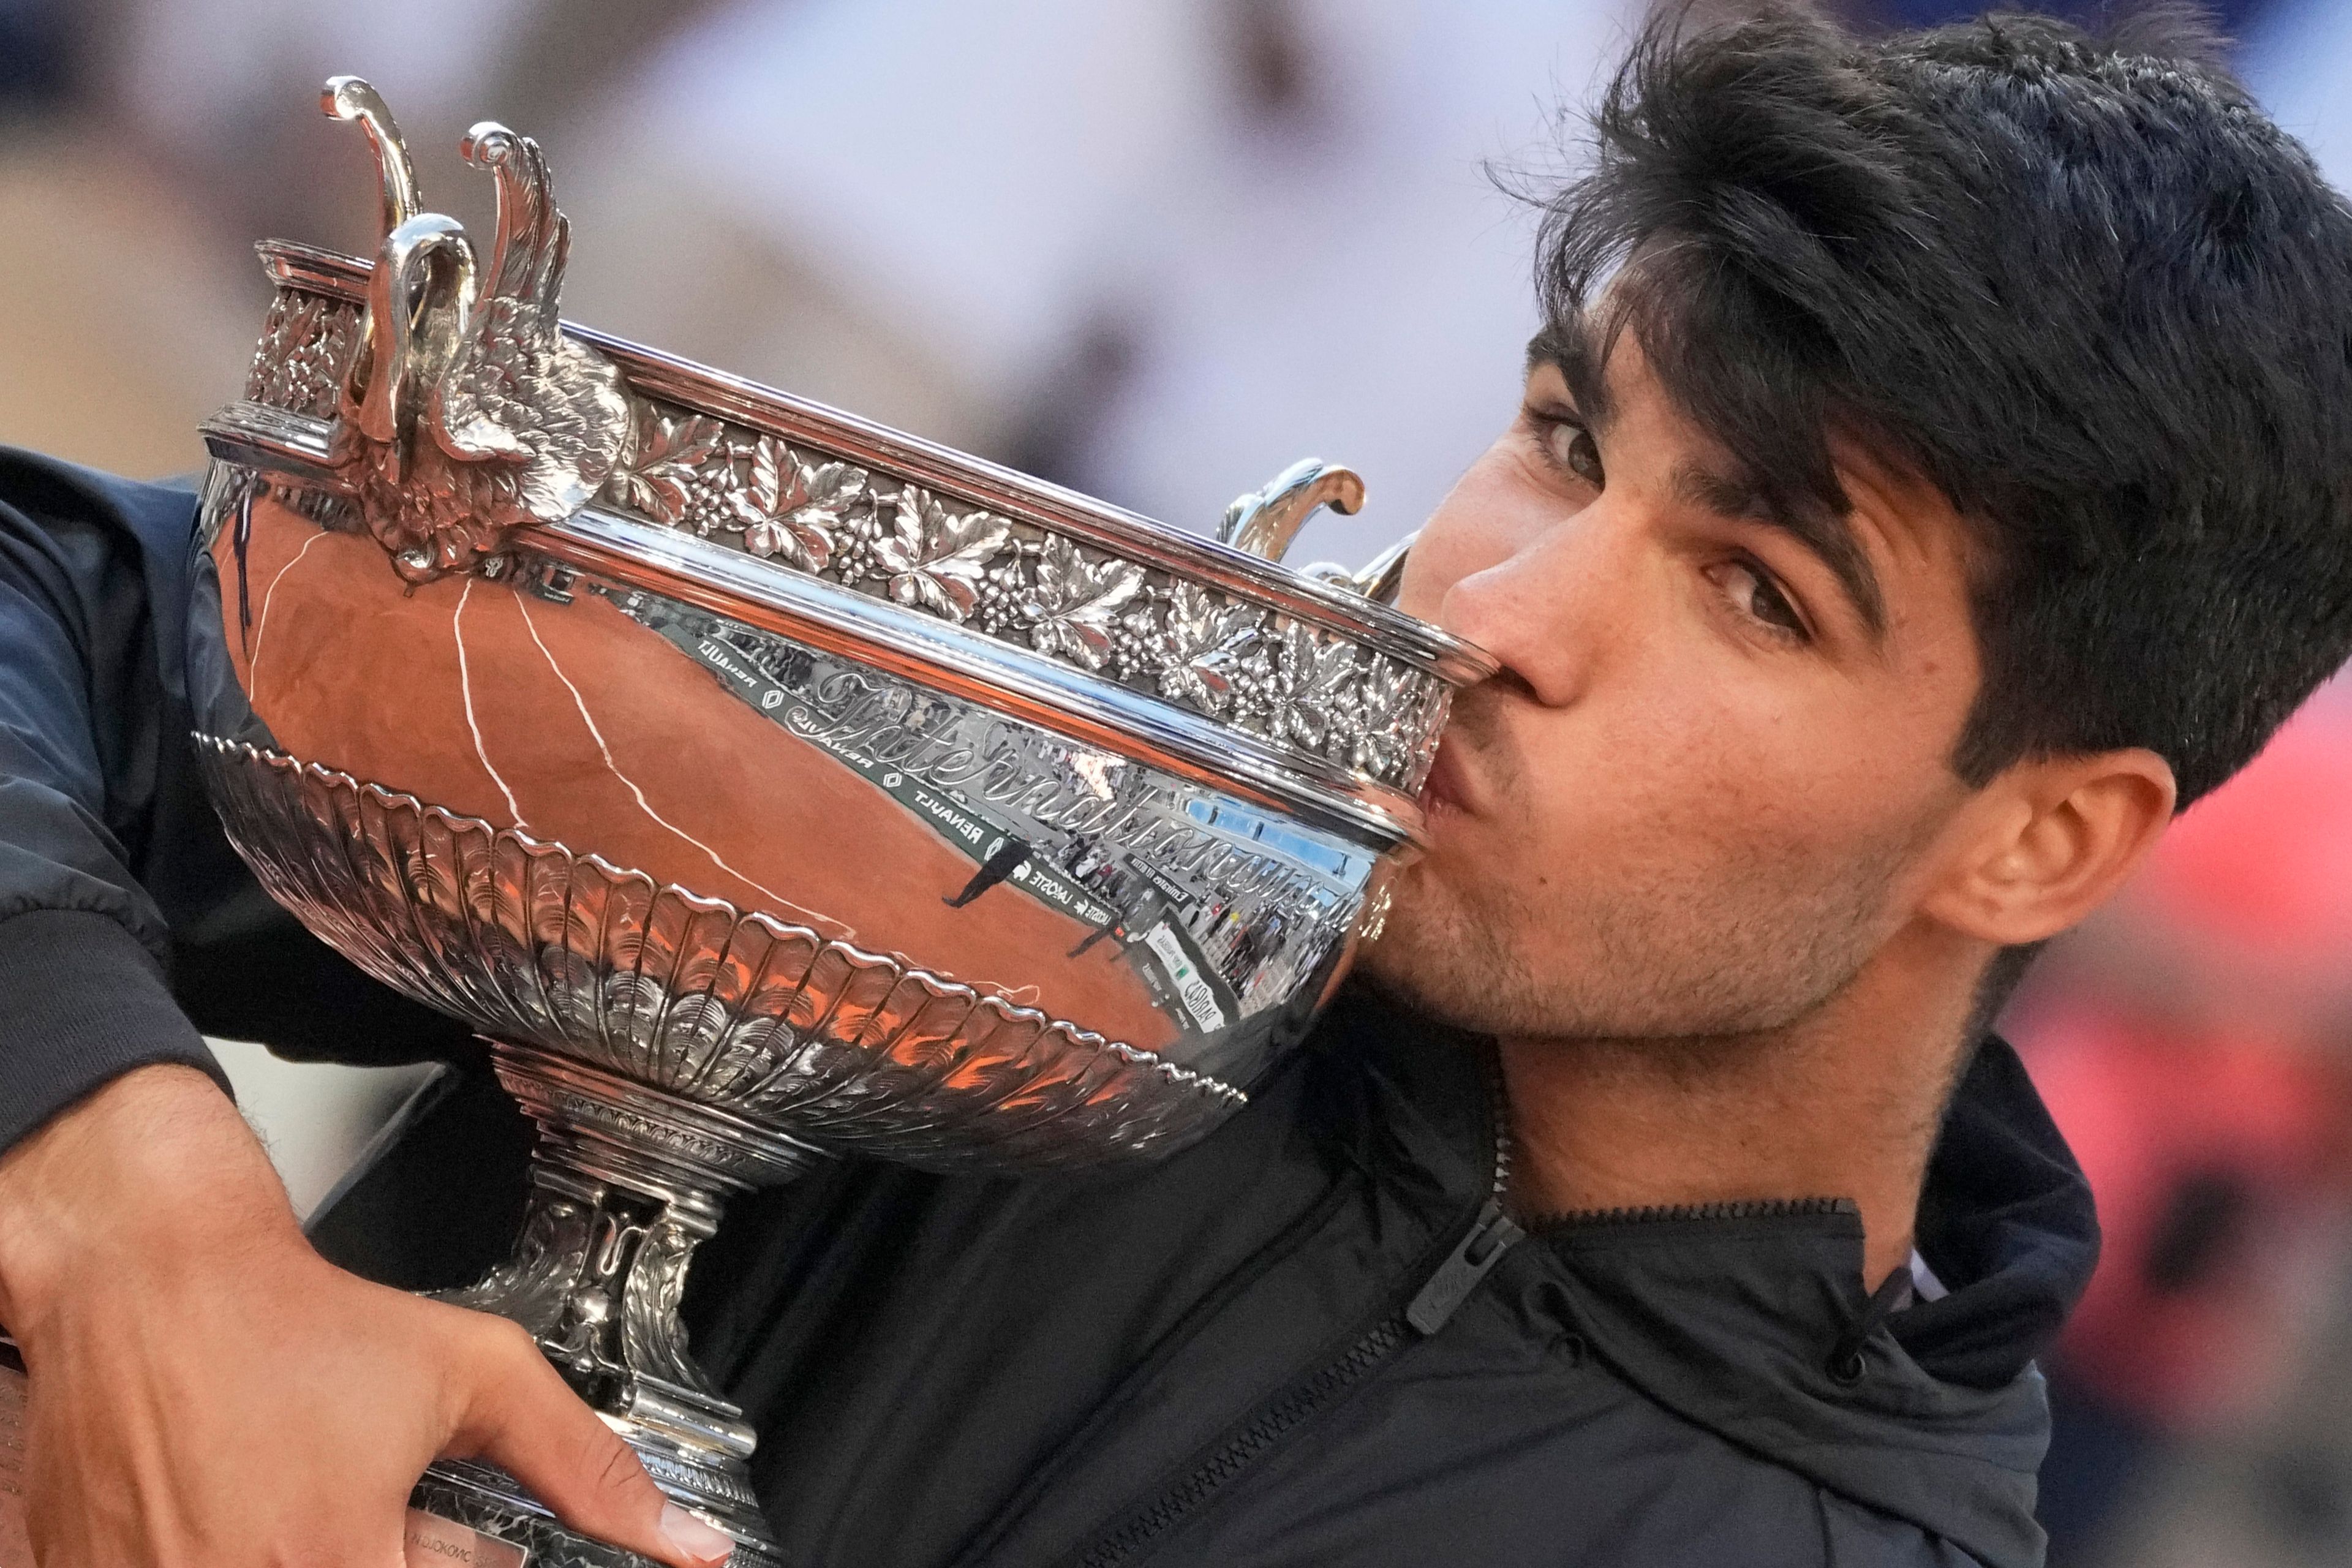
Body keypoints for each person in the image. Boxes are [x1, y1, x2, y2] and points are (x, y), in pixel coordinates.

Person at [4, 6, 2352, 1565]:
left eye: (1758, 593)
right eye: (1563, 445)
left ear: (2047, 837)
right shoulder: (1028, 840)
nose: (1491, 613)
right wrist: (136, 1227)